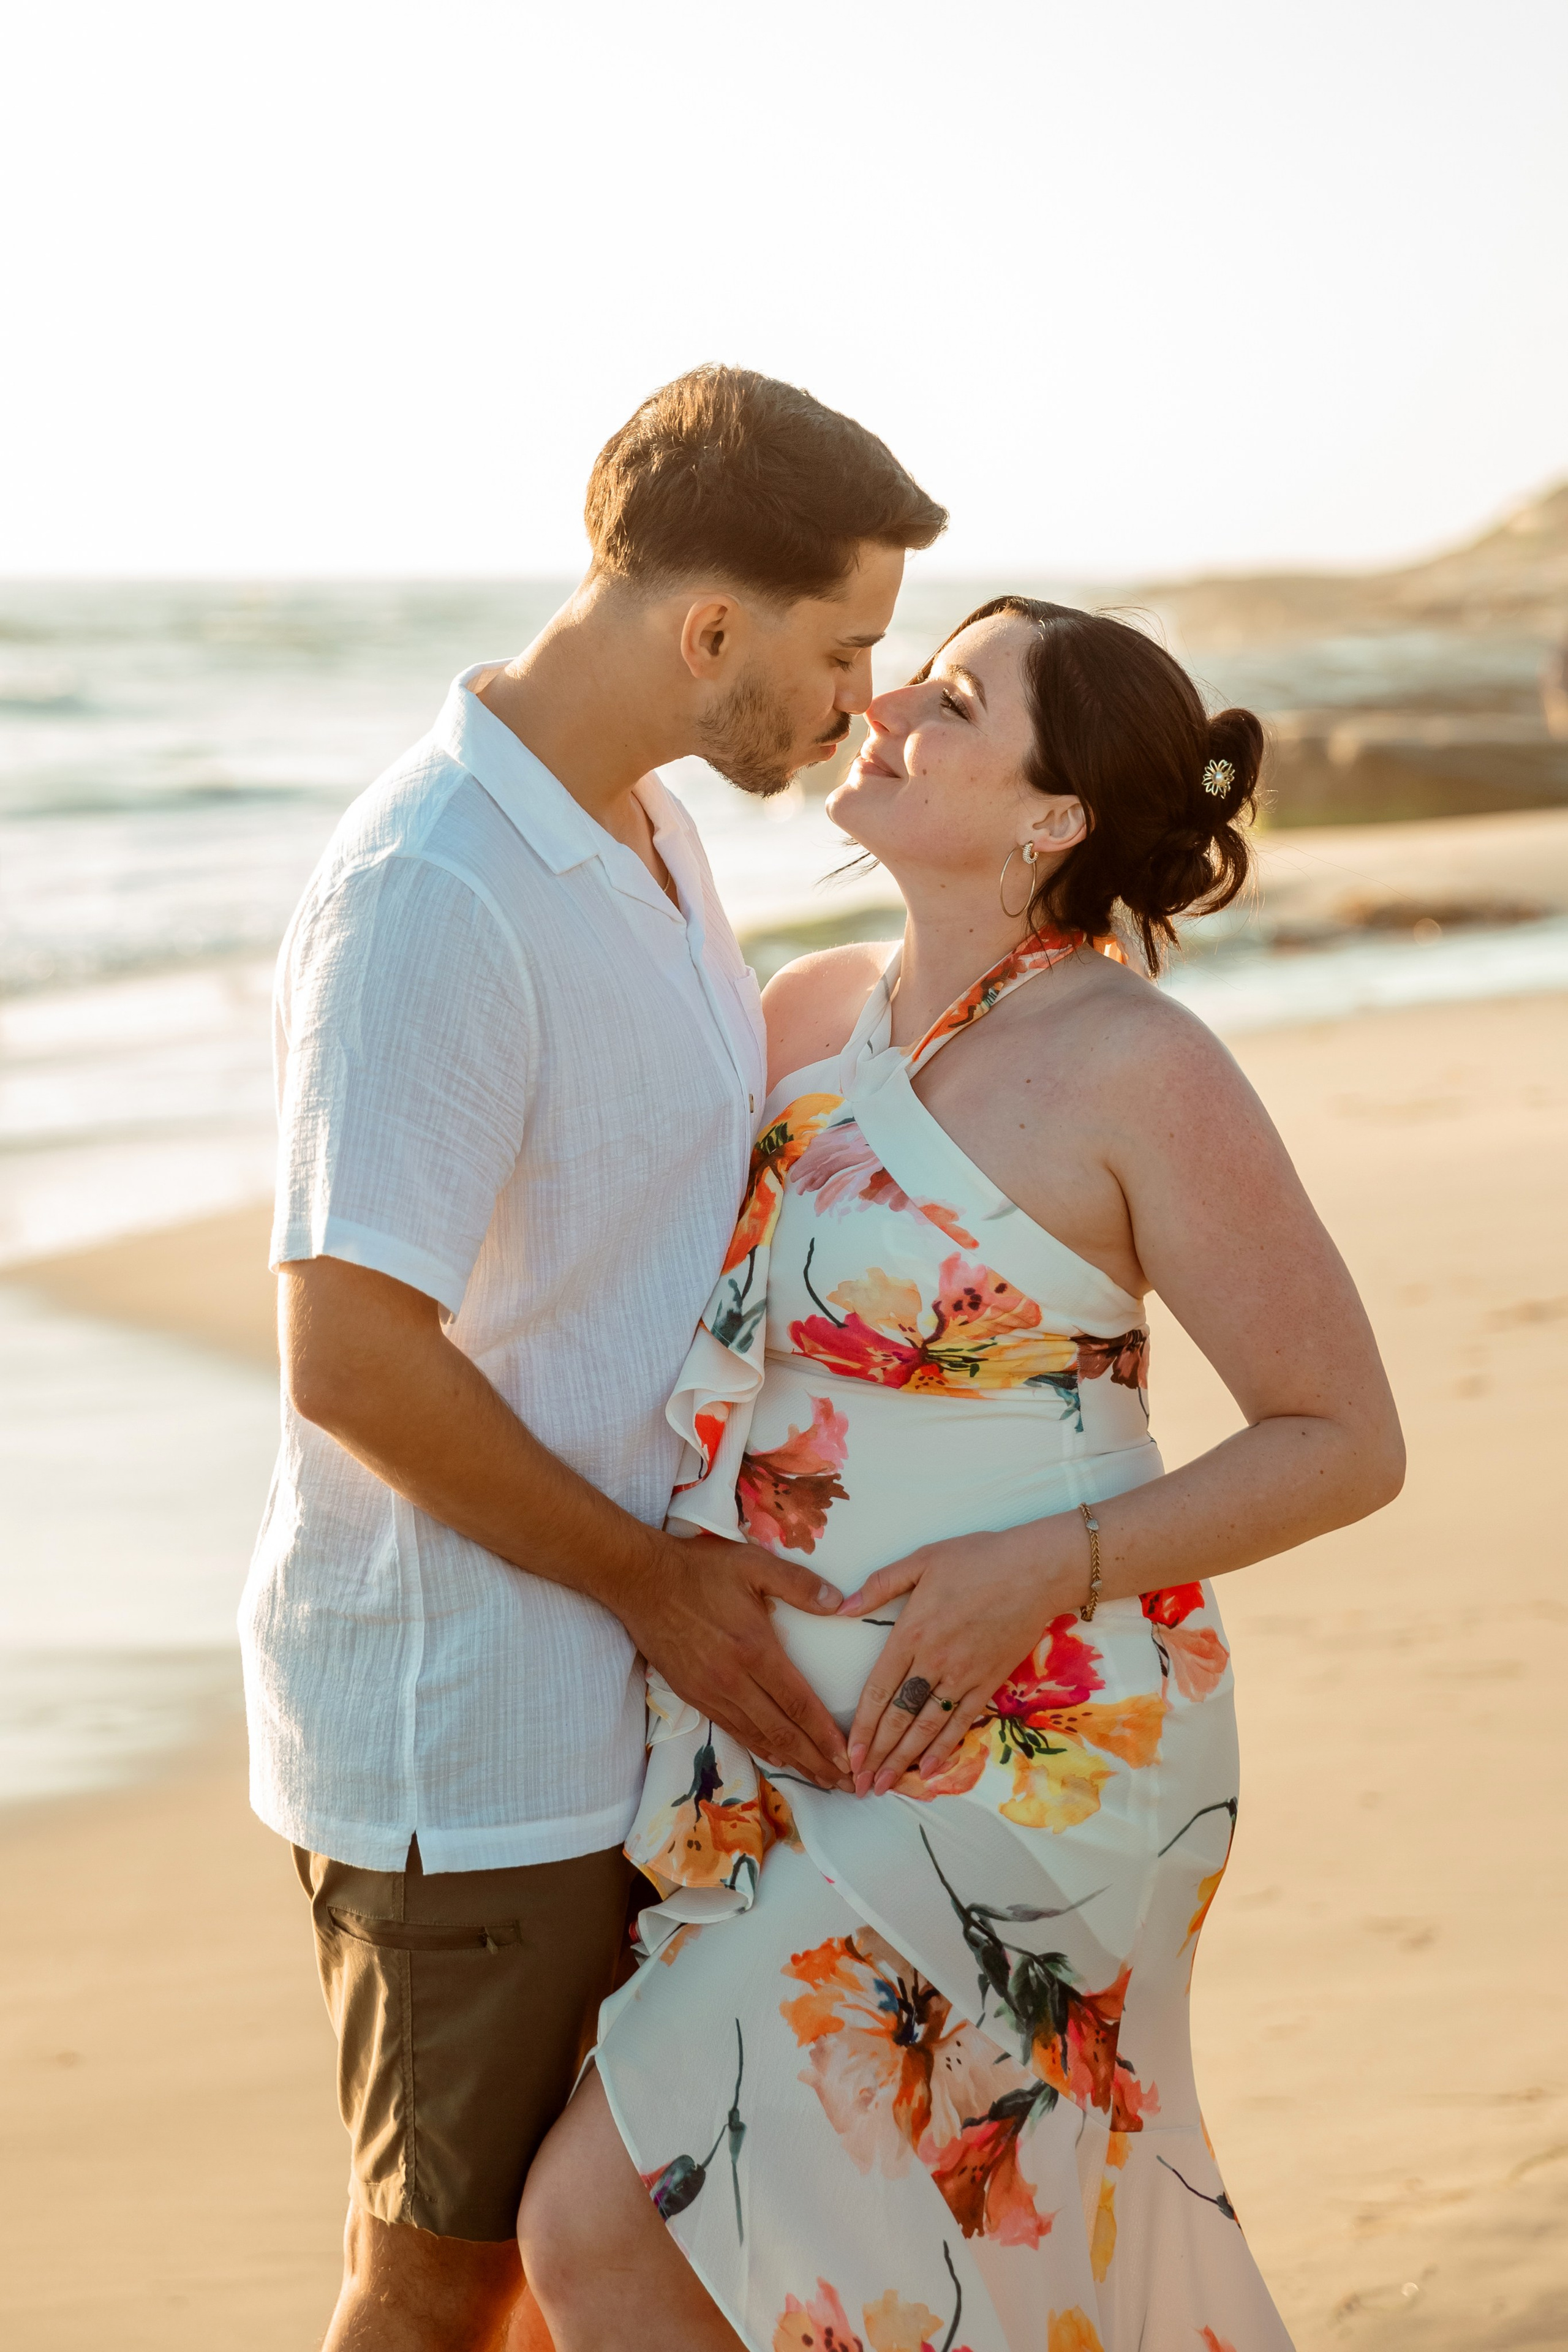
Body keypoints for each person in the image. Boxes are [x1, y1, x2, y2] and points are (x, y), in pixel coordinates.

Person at [517, 599, 1406, 2352]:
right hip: (782, 1759)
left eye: (956, 698)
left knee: (607, 2228)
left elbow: (1344, 1438)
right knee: (933, 2278)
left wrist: (1045, 1570)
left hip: (1048, 1754)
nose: (889, 701)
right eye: (911, 671)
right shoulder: (805, 1011)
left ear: (1051, 818)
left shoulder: (1138, 1064)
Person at [238, 364, 946, 2352]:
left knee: (595, 2266)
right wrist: (650, 1583)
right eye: (844, 646)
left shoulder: (646, 828)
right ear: (708, 627)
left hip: (634, 1700)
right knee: (445, 2286)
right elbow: (349, 1354)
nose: (863, 701)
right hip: (468, 1736)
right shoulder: (432, 889)